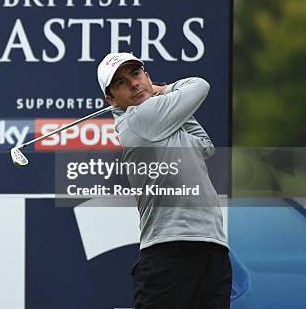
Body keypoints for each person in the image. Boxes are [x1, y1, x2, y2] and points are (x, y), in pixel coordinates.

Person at [97, 52, 232, 309]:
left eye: (136, 74)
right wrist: (163, 89)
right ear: (111, 99)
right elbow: (199, 85)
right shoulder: (139, 118)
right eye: (120, 83)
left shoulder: (161, 121)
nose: (134, 84)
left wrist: (169, 106)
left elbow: (205, 147)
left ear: (146, 74)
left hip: (212, 250)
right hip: (169, 254)